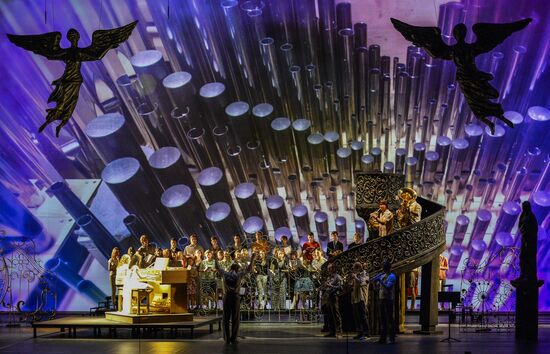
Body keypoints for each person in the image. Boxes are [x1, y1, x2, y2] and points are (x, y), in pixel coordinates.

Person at [215, 251, 257, 345]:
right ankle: (233, 339)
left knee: (225, 318)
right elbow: (249, 269)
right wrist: (252, 258)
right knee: (235, 318)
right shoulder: (238, 275)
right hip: (235, 297)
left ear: (230, 268)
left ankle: (226, 339)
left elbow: (217, 267)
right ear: (237, 269)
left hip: (227, 297)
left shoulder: (225, 274)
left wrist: (215, 257)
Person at [377, 261, 397, 344]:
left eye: (384, 267)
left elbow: (388, 287)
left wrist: (380, 281)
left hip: (388, 299)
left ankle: (392, 338)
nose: (382, 268)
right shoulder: (383, 275)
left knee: (389, 319)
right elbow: (380, 287)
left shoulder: (392, 276)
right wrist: (377, 283)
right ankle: (383, 338)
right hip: (382, 298)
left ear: (388, 268)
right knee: (383, 319)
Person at [351, 261, 370, 340]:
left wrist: (355, 277)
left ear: (358, 268)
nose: (354, 270)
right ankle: (360, 332)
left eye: (355, 268)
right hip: (355, 298)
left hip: (361, 298)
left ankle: (366, 333)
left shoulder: (365, 274)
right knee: (357, 317)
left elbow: (362, 283)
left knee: (363, 316)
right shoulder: (357, 275)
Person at [322, 264, 343, 337]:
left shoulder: (338, 277)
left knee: (336, 314)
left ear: (333, 269)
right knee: (329, 314)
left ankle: (339, 332)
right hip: (328, 296)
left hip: (334, 296)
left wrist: (331, 286)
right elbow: (327, 286)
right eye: (328, 269)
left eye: (329, 268)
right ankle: (332, 331)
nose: (328, 270)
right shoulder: (329, 277)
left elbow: (340, 287)